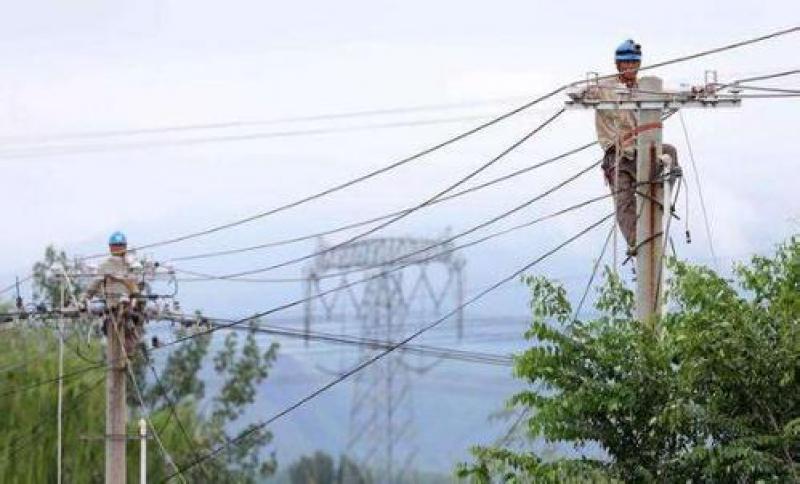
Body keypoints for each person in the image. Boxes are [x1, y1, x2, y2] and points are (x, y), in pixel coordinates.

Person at [590, 39, 680, 256]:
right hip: (618, 155)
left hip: (642, 150)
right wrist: (582, 94)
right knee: (624, 202)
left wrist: (694, 92)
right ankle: (636, 243)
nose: (630, 67)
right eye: (626, 63)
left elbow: (668, 94)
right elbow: (582, 92)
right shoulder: (605, 88)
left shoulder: (645, 88)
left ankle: (663, 198)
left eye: (634, 63)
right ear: (618, 65)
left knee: (669, 152)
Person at [84, 231, 143, 355]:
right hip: (113, 306)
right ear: (111, 248)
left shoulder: (131, 265)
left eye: (120, 245)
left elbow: (136, 287)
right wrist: (84, 299)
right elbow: (94, 285)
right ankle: (125, 353)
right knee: (123, 331)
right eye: (116, 245)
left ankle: (126, 353)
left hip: (127, 305)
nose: (118, 248)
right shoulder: (107, 266)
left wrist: (84, 298)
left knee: (128, 328)